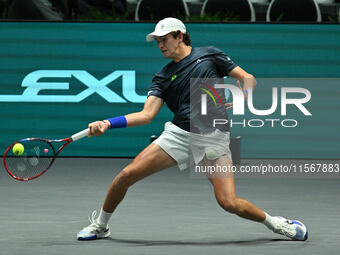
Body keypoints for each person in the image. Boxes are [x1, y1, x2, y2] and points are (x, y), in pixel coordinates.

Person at [77, 17, 308, 241]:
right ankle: (100, 226)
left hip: (213, 138)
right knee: (126, 175)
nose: (160, 45)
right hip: (179, 135)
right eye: (157, 41)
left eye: (164, 39)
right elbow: (146, 115)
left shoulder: (210, 54)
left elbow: (248, 78)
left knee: (228, 202)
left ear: (179, 36)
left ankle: (276, 224)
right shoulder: (163, 77)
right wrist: (108, 123)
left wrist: (242, 96)